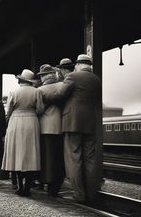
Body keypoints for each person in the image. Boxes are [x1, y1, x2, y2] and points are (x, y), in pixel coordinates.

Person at [55, 54, 102, 202]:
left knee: (74, 158)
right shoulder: (96, 79)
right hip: (91, 123)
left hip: (73, 122)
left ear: (79, 64)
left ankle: (79, 194)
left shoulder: (73, 77)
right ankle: (91, 194)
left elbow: (59, 95)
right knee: (90, 159)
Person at [1, 69, 44, 197]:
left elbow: (8, 111)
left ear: (21, 80)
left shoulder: (13, 92)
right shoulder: (37, 92)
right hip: (31, 122)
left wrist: (6, 124)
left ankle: (19, 186)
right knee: (31, 154)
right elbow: (41, 109)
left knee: (18, 154)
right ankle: (27, 188)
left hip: (16, 122)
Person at [37, 64, 65, 197]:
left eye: (41, 76)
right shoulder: (62, 86)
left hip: (45, 127)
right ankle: (56, 185)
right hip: (61, 126)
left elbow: (39, 109)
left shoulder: (40, 90)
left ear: (44, 77)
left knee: (47, 157)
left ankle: (47, 183)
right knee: (59, 157)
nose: (41, 78)